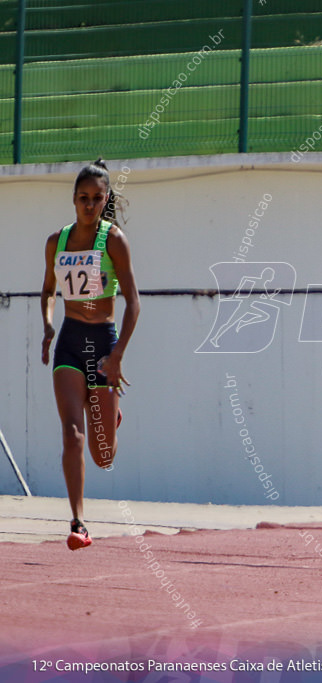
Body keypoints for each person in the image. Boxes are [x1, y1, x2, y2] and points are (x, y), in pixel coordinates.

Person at [41, 159, 140, 550]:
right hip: (70, 340)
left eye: (97, 199)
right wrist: (48, 326)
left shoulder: (113, 240)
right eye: (82, 198)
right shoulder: (57, 241)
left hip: (102, 343)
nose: (88, 205)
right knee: (71, 432)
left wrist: (116, 356)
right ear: (73, 199)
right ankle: (79, 522)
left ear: (106, 201)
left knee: (104, 456)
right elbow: (48, 291)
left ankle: (112, 414)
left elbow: (133, 303)